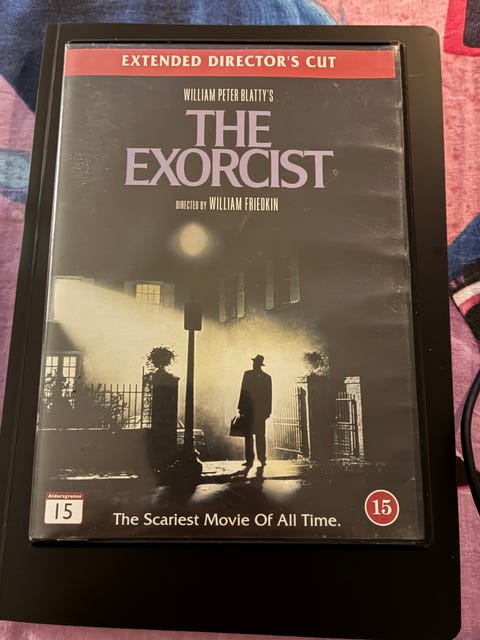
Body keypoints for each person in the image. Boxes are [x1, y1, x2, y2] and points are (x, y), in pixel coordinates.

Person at [238, 354, 272, 468]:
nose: (254, 365)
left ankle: (261, 458)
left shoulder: (266, 377)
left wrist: (268, 411)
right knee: (250, 436)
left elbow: (269, 396)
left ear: (259, 364)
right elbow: (243, 391)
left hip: (259, 412)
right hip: (250, 410)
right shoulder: (250, 375)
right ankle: (251, 459)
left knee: (259, 435)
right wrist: (241, 408)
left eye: (255, 363)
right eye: (254, 363)